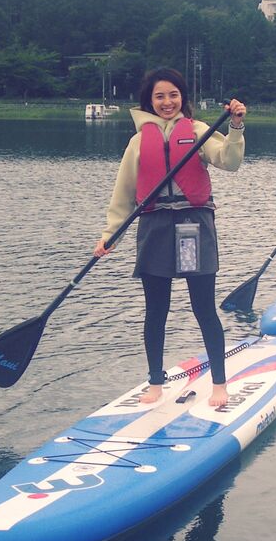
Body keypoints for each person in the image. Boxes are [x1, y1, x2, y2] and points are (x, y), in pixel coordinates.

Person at [94, 68, 247, 408]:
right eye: (160, 96)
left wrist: (235, 127)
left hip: (191, 227)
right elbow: (124, 194)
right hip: (156, 228)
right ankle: (155, 382)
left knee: (203, 307)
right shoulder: (138, 143)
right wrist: (110, 236)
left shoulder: (198, 131)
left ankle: (219, 383)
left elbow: (229, 161)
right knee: (156, 310)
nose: (167, 102)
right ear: (149, 100)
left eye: (173, 95)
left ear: (182, 98)